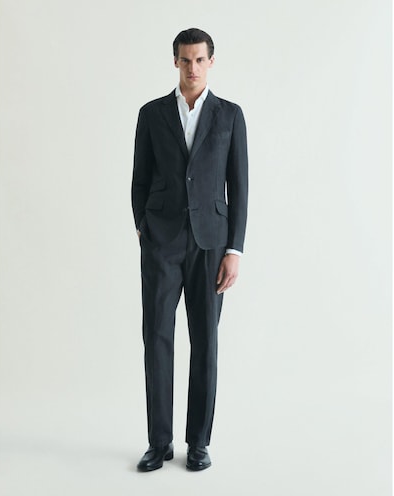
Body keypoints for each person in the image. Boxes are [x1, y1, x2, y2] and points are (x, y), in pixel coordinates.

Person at [131, 27, 248, 472]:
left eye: (200, 60)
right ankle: (158, 442)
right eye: (185, 60)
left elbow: (239, 186)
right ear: (175, 62)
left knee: (206, 344)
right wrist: (144, 228)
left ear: (211, 62)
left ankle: (198, 443)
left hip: (211, 245)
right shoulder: (152, 114)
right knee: (157, 340)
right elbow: (140, 178)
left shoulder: (230, 115)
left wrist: (234, 249)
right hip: (161, 244)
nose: (192, 68)